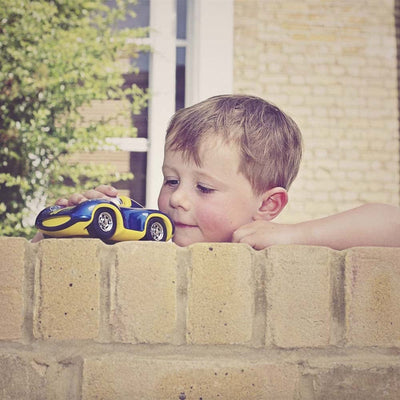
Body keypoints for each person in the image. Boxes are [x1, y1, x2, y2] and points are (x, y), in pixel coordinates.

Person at [32, 95, 400, 249]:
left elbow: (391, 223)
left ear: (268, 206)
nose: (177, 198)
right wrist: (72, 230)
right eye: (171, 180)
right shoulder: (150, 242)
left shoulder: (265, 244)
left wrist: (298, 235)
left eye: (204, 188)